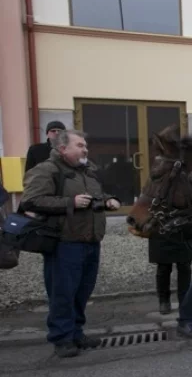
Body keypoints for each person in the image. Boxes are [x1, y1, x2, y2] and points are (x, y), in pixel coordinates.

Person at [20, 130, 120, 357]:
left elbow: (96, 195)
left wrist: (108, 200)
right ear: (62, 148)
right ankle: (61, 338)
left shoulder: (88, 171)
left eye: (86, 145)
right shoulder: (47, 170)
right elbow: (31, 200)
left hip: (90, 241)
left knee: (82, 292)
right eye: (80, 145)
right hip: (64, 242)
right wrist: (70, 202)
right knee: (62, 293)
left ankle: (76, 333)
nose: (85, 149)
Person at [148, 230, 192, 315]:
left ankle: (184, 301)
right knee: (163, 268)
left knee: (184, 266)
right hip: (161, 229)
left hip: (182, 229)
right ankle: (163, 301)